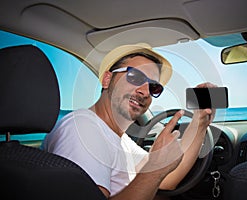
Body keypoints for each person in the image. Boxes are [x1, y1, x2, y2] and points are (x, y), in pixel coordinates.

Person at [41, 43, 215, 200]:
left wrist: (200, 121)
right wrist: (154, 170)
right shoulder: (84, 129)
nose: (145, 92)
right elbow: (155, 176)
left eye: (153, 87)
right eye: (135, 77)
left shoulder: (120, 140)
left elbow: (167, 180)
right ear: (107, 79)